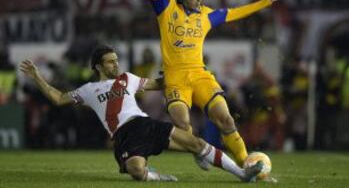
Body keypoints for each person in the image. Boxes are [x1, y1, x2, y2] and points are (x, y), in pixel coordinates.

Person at [19, 45, 263, 182]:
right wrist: (37, 77)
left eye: (116, 60)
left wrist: (187, 71)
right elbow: (57, 97)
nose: (116, 64)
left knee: (197, 142)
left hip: (147, 124)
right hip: (125, 135)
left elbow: (159, 84)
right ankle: (157, 177)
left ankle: (242, 173)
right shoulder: (89, 90)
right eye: (110, 62)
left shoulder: (128, 79)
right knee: (136, 171)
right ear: (97, 66)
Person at [143, 0, 282, 168]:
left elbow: (235, 13)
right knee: (182, 123)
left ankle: (246, 164)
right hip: (175, 78)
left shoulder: (206, 16)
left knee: (225, 119)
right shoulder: (166, 8)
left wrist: (264, 2)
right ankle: (199, 149)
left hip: (199, 75)